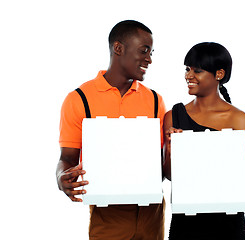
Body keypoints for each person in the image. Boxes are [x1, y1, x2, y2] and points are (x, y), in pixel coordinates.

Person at [56, 20, 166, 240]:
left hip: (152, 215)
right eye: (144, 51)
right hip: (108, 217)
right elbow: (67, 158)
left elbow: (161, 164)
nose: (149, 59)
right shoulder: (79, 99)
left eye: (152, 52)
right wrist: (61, 178)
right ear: (119, 48)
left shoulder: (155, 100)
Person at [163, 42, 245, 240]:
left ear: (219, 74)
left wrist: (191, 154)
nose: (188, 76)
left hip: (228, 222)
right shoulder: (173, 115)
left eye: (198, 70)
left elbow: (233, 177)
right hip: (185, 221)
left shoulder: (239, 119)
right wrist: (170, 149)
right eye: (187, 69)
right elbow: (170, 176)